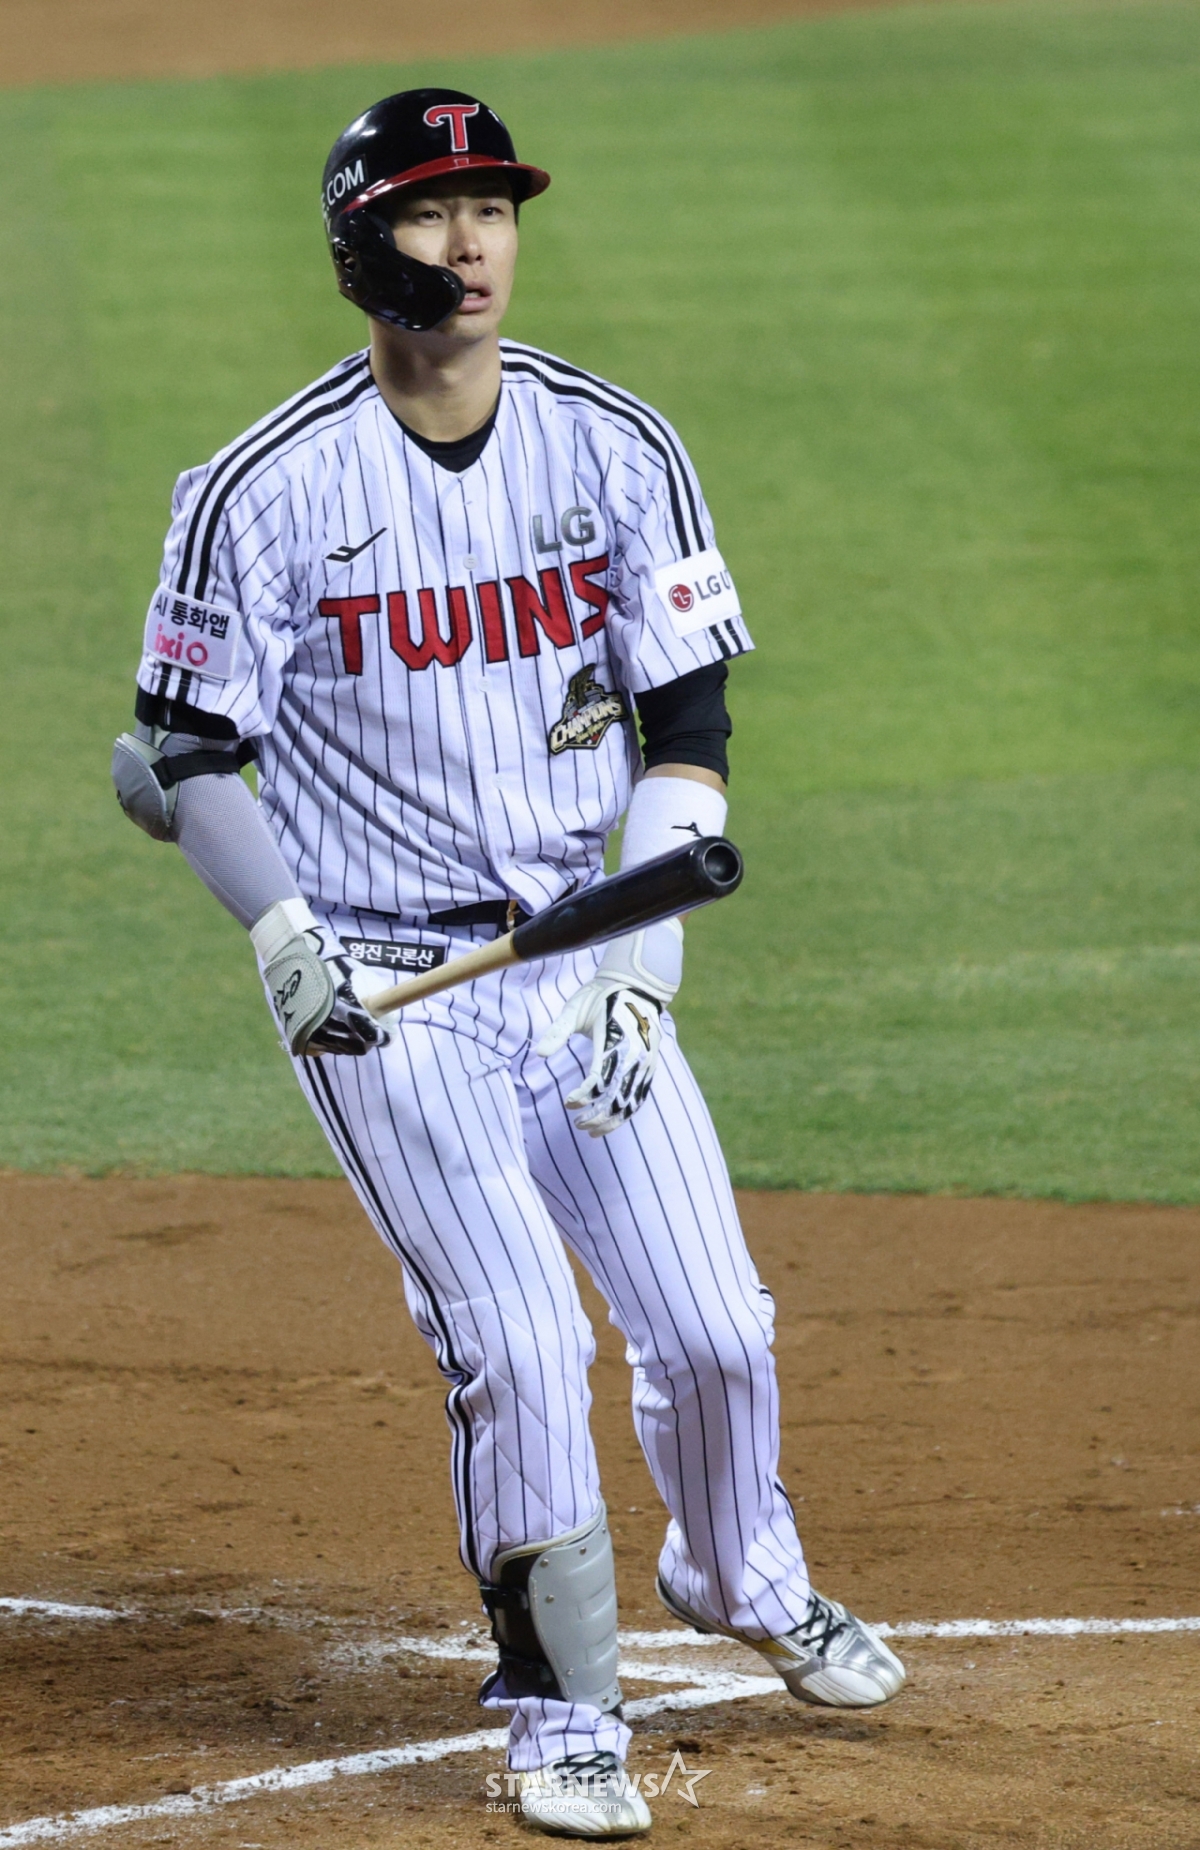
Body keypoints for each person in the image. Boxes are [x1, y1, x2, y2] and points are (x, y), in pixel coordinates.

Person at [112, 88, 904, 1837]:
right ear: (358, 244)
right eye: (428, 214)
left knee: (716, 1327)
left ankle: (740, 1569)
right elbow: (177, 752)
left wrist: (645, 966)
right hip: (386, 997)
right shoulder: (262, 488)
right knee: (522, 1341)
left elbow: (688, 720)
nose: (471, 247)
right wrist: (282, 929)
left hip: (587, 957)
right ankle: (560, 1711)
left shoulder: (613, 446)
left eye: (493, 211)